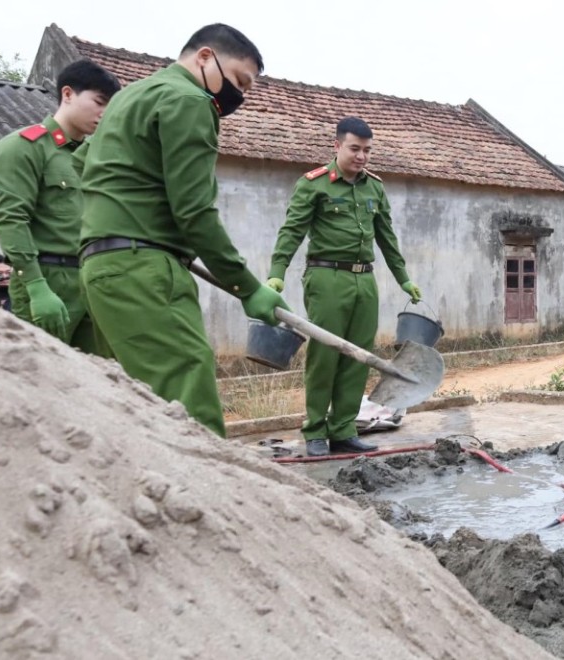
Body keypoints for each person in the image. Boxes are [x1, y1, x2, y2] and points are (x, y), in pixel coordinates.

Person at [75, 24, 288, 438]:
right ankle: (209, 501)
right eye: (239, 81)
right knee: (189, 402)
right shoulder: (190, 100)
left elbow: (82, 164)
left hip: (103, 268)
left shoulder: (129, 98)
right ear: (204, 57)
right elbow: (194, 211)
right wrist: (246, 286)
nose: (239, 96)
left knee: (139, 405)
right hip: (145, 271)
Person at [265, 117, 420, 457]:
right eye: (355, 149)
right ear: (337, 146)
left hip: (364, 279)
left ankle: (344, 429)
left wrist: (403, 277)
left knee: (359, 356)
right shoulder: (314, 184)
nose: (361, 156)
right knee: (326, 355)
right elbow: (291, 231)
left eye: (367, 150)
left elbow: (387, 238)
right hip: (326, 277)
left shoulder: (374, 188)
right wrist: (278, 271)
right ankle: (316, 430)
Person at [0, 60, 121, 349]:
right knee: (41, 379)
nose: (104, 113)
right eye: (99, 102)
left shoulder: (95, 157)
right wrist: (35, 286)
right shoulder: (22, 148)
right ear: (67, 94)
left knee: (101, 380)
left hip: (93, 281)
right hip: (47, 278)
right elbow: (12, 220)